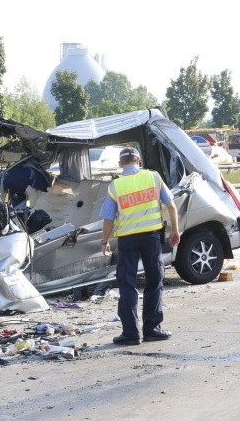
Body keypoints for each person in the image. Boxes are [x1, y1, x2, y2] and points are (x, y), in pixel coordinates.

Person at [100, 147, 180, 345]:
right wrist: (175, 231)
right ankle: (152, 329)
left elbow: (108, 219)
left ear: (120, 164)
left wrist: (104, 242)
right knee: (154, 280)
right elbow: (170, 205)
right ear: (138, 161)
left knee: (127, 283)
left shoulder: (115, 186)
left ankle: (130, 334)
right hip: (151, 237)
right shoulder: (154, 178)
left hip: (127, 239)